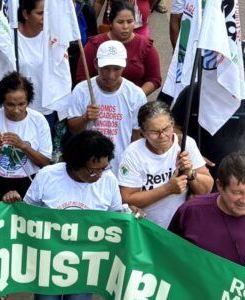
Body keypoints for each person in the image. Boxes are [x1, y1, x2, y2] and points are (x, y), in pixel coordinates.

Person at [3, 130, 141, 300]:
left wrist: (129, 212)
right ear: (76, 163)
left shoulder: (109, 180)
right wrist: (14, 202)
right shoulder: (47, 176)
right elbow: (26, 216)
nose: (99, 175)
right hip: (48, 263)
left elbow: (115, 219)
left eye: (103, 169)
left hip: (85, 265)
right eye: (93, 170)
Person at [118, 101, 214, 228]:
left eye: (166, 128)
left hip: (180, 226)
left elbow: (206, 189)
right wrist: (167, 189)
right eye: (154, 132)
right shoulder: (133, 154)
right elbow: (127, 199)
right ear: (143, 132)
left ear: (172, 124)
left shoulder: (185, 144)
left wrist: (190, 173)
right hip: (146, 228)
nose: (162, 136)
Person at [67, 40, 146, 174]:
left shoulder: (136, 94)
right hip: (88, 165)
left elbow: (137, 136)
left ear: (124, 65)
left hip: (121, 165)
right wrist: (85, 118)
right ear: (96, 63)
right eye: (105, 68)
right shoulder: (81, 90)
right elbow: (73, 129)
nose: (110, 75)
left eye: (116, 69)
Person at [0, 72, 52, 207]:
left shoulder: (39, 121)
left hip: (27, 182)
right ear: (2, 102)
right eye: (10, 104)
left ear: (28, 101)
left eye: (21, 104)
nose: (16, 110)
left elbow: (45, 162)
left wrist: (23, 146)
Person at [169, 151, 245, 266]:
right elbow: (167, 252)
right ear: (219, 186)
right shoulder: (191, 211)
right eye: (237, 192)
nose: (243, 200)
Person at [77, 1, 161, 96]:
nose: (125, 27)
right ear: (111, 23)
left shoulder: (146, 46)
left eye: (130, 22)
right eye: (120, 22)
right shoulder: (94, 45)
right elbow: (82, 77)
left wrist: (136, 97)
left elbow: (154, 79)